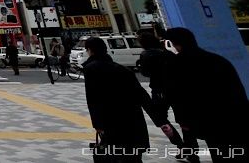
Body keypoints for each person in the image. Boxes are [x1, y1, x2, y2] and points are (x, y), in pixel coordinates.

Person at [164, 27, 249, 163]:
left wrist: (184, 121)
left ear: (174, 44)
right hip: (234, 117)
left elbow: (178, 96)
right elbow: (237, 90)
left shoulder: (176, 64)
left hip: (208, 121)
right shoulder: (218, 60)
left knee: (220, 153)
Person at [82, 36, 152, 162]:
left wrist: (97, 124)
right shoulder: (123, 69)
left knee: (115, 153)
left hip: (110, 119)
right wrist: (160, 119)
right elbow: (141, 94)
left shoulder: (91, 68)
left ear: (90, 50)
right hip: (132, 117)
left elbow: (93, 99)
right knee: (132, 155)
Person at [138, 32, 197, 163]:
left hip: (159, 90)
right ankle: (191, 149)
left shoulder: (146, 54)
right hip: (176, 89)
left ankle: (179, 144)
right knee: (184, 120)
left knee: (161, 119)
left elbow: (145, 72)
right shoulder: (167, 53)